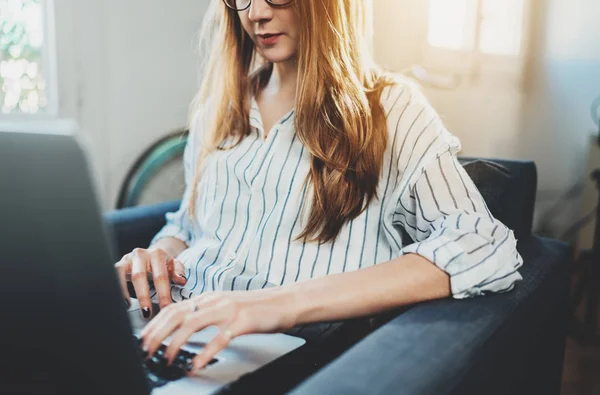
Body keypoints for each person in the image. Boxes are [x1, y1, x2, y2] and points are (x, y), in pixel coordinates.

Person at [114, 0, 523, 374]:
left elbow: (482, 244)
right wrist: (157, 257)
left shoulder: (391, 109)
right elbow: (187, 227)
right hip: (176, 327)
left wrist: (277, 304)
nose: (255, 13)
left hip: (285, 353)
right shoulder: (218, 110)